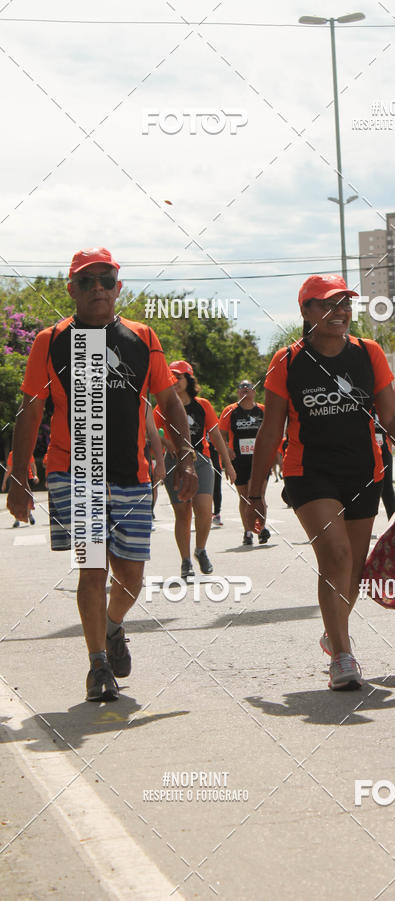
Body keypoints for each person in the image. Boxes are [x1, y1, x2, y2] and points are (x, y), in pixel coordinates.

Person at [7, 247, 198, 702]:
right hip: (75, 471)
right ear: (71, 289)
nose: (98, 288)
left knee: (131, 576)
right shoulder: (51, 340)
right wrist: (17, 478)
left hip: (130, 473)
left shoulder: (141, 338)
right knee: (91, 569)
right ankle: (97, 666)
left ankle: (113, 627)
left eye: (106, 280)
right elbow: (31, 411)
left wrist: (185, 458)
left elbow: (169, 403)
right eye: (87, 281)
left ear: (118, 287)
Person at [244, 274, 395, 690]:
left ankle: (334, 632)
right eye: (328, 304)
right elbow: (270, 432)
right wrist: (253, 494)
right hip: (309, 473)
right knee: (337, 554)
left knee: (353, 570)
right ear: (306, 311)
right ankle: (343, 657)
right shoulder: (287, 361)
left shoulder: (368, 353)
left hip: (364, 471)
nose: (340, 312)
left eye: (345, 304)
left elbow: (391, 415)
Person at [154, 361, 235, 580]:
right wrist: (166, 442)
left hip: (201, 459)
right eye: (171, 377)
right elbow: (151, 431)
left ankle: (200, 550)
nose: (174, 382)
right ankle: (186, 561)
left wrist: (227, 464)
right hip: (175, 463)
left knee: (204, 509)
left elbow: (216, 436)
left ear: (188, 380)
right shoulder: (163, 407)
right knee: (183, 513)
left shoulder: (203, 405)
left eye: (178, 377)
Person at [219, 379, 269, 546]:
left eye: (249, 387)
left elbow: (271, 432)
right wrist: (227, 450)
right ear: (237, 392)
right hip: (239, 460)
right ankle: (248, 531)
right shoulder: (230, 411)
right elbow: (221, 435)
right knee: (245, 497)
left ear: (254, 392)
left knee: (259, 495)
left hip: (260, 459)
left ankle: (261, 529)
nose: (245, 389)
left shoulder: (262, 410)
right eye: (241, 387)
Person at [3, 450, 38, 525]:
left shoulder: (27, 451)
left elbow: (32, 465)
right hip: (16, 478)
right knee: (17, 498)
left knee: (28, 497)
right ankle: (17, 519)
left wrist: (35, 475)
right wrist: (4, 482)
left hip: (27, 477)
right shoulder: (11, 454)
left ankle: (29, 514)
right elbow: (9, 468)